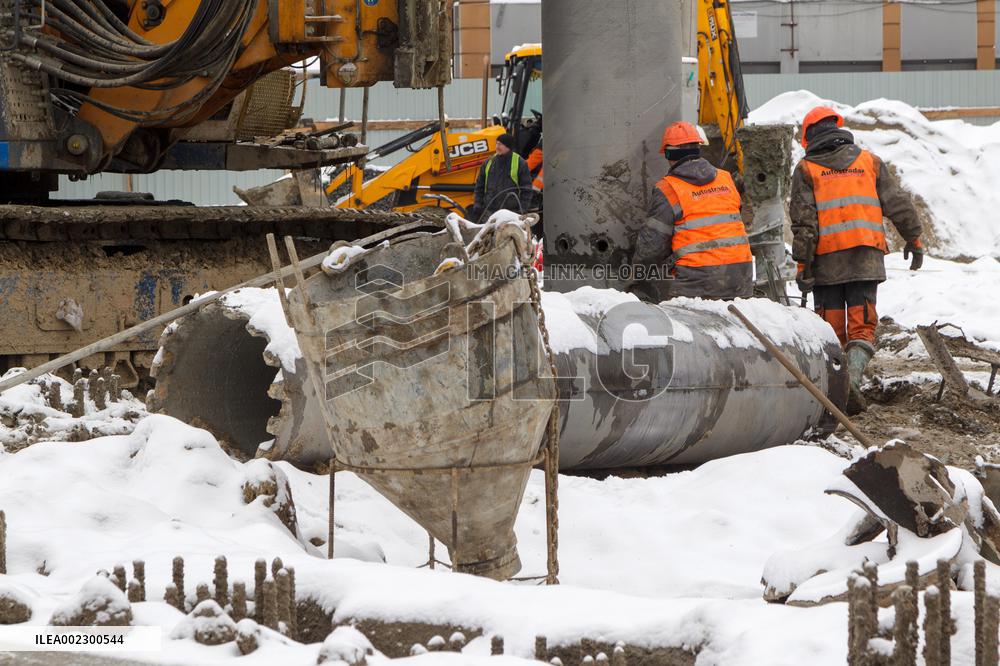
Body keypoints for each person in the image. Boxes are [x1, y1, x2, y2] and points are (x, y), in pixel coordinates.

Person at [790, 106, 923, 415]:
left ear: (809, 136)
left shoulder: (807, 169)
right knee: (862, 325)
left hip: (827, 261)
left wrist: (803, 267)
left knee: (831, 327)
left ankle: (837, 391)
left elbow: (805, 225)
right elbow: (898, 203)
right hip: (866, 256)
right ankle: (852, 380)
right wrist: (914, 239)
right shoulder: (869, 162)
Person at [631, 121, 753, 301]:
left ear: (669, 154)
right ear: (698, 148)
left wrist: (634, 280)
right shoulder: (726, 179)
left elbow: (651, 248)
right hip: (742, 279)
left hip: (699, 284)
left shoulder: (668, 189)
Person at [469, 133, 533, 223]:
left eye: (500, 144)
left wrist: (522, 210)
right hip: (489, 213)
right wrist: (478, 205)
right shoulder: (488, 162)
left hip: (511, 214)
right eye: (497, 143)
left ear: (508, 146)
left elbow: (526, 189)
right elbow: (479, 186)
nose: (497, 147)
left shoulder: (520, 163)